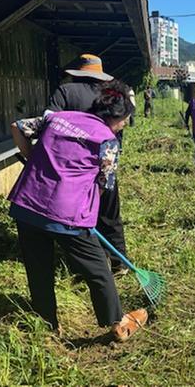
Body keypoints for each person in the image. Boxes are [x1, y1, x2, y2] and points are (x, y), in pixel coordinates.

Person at [8, 80, 147, 341]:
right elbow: (105, 183)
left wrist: (31, 159)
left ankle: (47, 325)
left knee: (38, 269)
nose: (126, 124)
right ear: (116, 116)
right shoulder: (107, 140)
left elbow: (18, 127)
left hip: (27, 204)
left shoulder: (57, 118)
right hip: (67, 213)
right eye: (126, 119)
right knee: (98, 270)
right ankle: (116, 322)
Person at [46, 54, 129, 275]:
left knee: (77, 214)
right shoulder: (110, 95)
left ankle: (85, 265)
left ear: (78, 72)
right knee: (109, 213)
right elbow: (120, 125)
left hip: (71, 167)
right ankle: (119, 262)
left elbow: (50, 124)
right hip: (105, 160)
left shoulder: (65, 92)